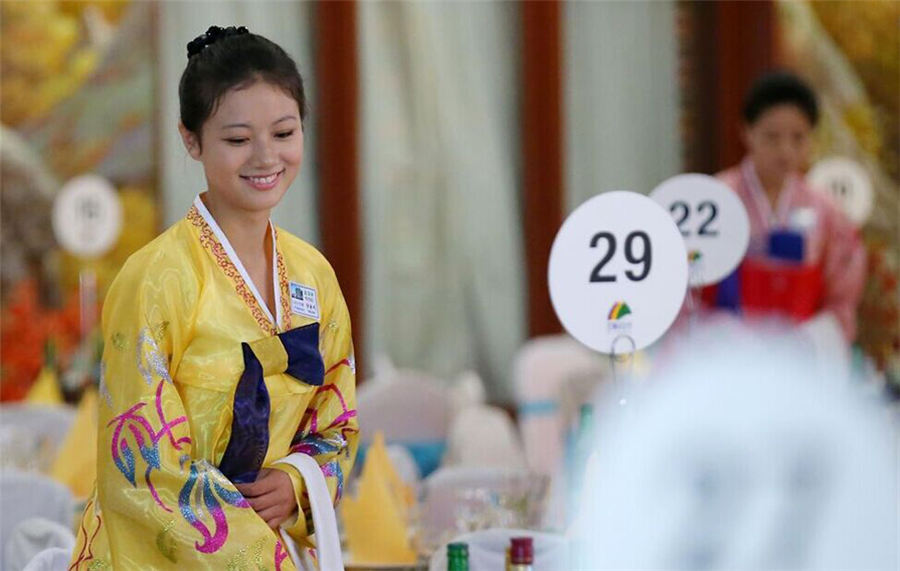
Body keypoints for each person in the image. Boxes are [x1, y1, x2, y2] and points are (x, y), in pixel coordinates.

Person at [68, 26, 358, 569]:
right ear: (191, 139)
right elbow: (145, 468)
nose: (265, 156)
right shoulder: (153, 279)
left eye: (283, 132)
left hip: (277, 546)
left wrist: (296, 482)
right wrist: (256, 548)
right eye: (237, 139)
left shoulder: (314, 276)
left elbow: (336, 422)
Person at [716, 71, 865, 342]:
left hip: (800, 356)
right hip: (730, 356)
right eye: (772, 137)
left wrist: (809, 341)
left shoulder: (827, 210)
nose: (786, 151)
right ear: (747, 132)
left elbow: (842, 297)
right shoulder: (716, 200)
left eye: (798, 138)